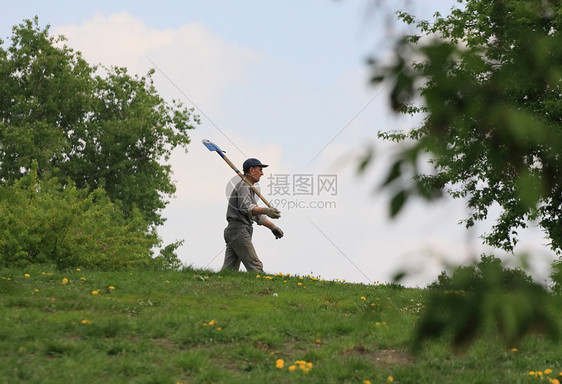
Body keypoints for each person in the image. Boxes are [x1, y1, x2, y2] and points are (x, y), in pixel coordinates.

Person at [221, 158, 284, 272]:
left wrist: (272, 226)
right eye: (260, 170)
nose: (262, 173)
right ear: (251, 170)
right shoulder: (244, 186)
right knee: (255, 267)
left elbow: (255, 214)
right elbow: (247, 208)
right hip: (238, 231)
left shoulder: (248, 188)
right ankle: (265, 289)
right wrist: (267, 210)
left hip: (235, 231)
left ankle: (216, 287)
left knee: (228, 271)